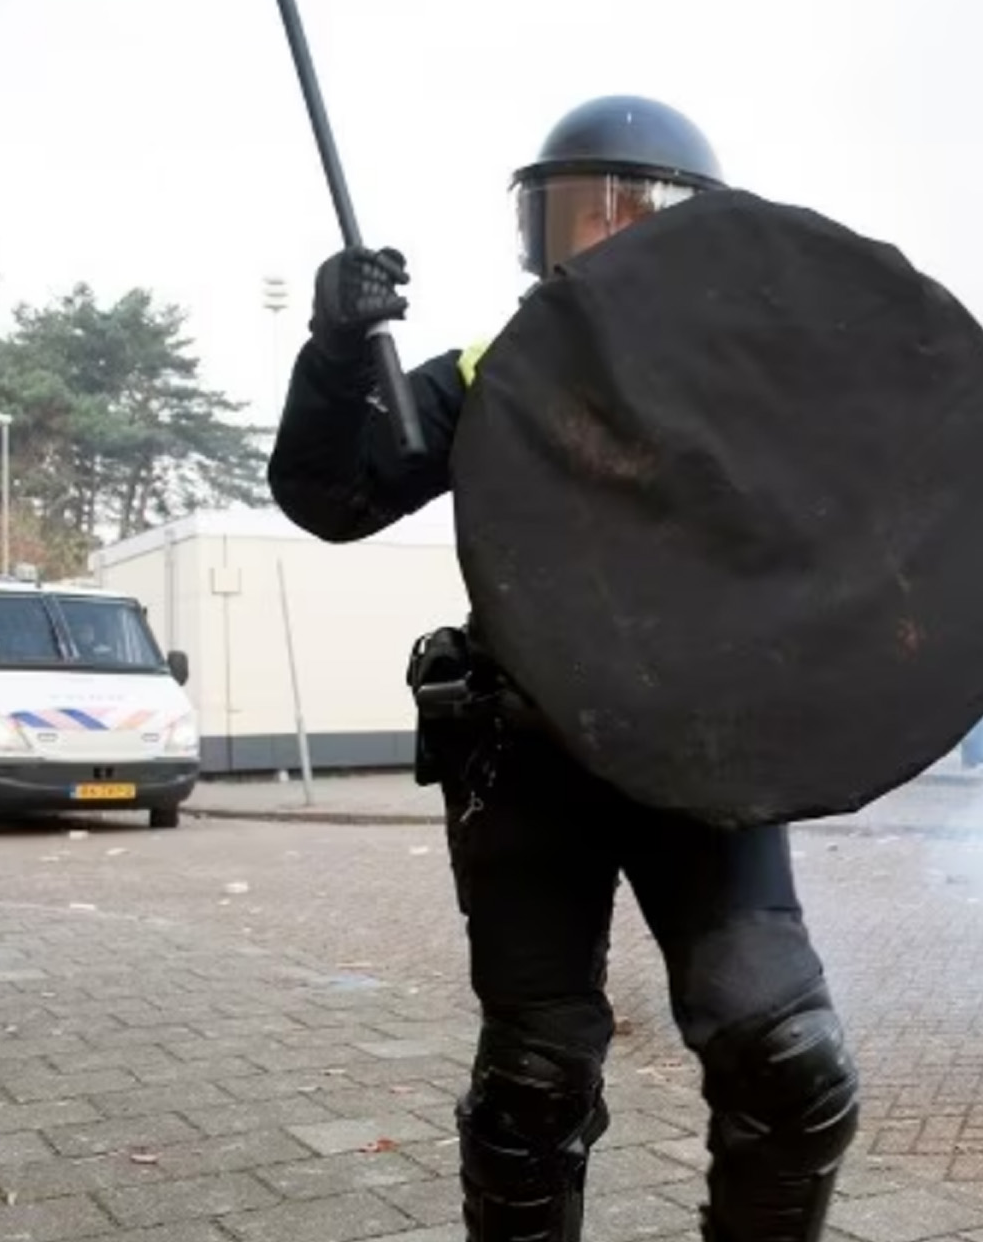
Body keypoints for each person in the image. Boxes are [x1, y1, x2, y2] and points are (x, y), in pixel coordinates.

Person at [267, 96, 859, 1242]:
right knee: (533, 1081)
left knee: (790, 1063)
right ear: (536, 235)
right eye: (579, 215)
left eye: (637, 214)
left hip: (705, 761)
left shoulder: (762, 391)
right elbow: (331, 494)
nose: (608, 238)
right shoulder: (498, 372)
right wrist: (338, 354)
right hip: (529, 759)